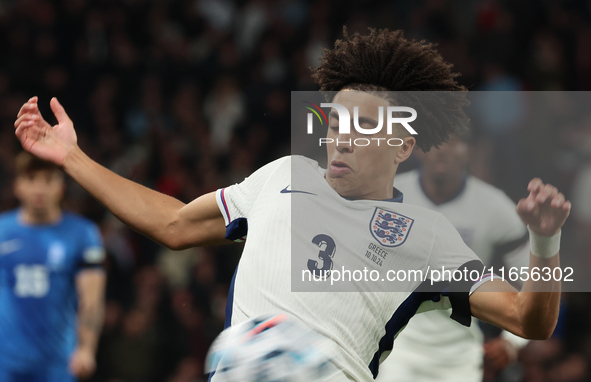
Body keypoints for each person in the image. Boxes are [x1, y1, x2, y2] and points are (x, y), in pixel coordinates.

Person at [14, 29, 570, 381]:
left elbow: (529, 320)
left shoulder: (426, 237)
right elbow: (174, 223)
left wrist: (545, 242)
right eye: (335, 122)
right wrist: (73, 159)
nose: (340, 137)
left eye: (364, 127)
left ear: (402, 145)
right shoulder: (283, 176)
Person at [376, 134, 530, 382]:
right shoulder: (386, 197)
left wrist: (512, 342)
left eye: (453, 140)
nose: (441, 149)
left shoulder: (495, 207)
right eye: (434, 141)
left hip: (462, 353)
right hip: (397, 347)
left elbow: (535, 281)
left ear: (470, 150)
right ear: (415, 148)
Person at [0, 152, 107, 382]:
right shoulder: (1, 231)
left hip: (58, 363)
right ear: (17, 186)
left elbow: (91, 298)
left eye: (48, 180)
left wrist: (87, 348)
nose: (40, 189)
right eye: (31, 179)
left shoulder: (83, 234)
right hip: (5, 362)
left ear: (61, 186)